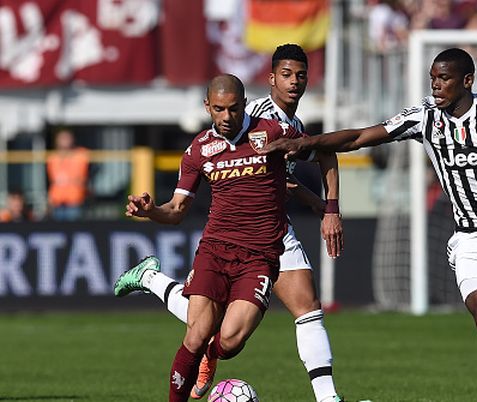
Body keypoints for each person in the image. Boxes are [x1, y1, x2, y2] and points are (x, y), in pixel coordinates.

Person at [263, 47, 477, 402]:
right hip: (472, 238)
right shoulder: (426, 116)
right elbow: (361, 137)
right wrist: (307, 143)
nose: (436, 86)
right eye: (433, 79)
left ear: (467, 81)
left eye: (444, 79)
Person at [114, 45, 344, 402]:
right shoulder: (207, 143)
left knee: (238, 335)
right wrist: (151, 211)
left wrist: (325, 206)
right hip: (220, 245)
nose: (226, 116)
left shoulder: (276, 131)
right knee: (200, 328)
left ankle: (159, 287)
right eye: (218, 109)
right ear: (208, 106)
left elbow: (315, 155)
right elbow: (178, 209)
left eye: (233, 108)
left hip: (264, 243)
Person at [46, 128, 89, 221]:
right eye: (62, 138)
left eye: (67, 138)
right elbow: (52, 181)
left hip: (74, 200)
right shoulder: (52, 158)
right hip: (57, 201)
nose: (65, 141)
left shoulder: (81, 155)